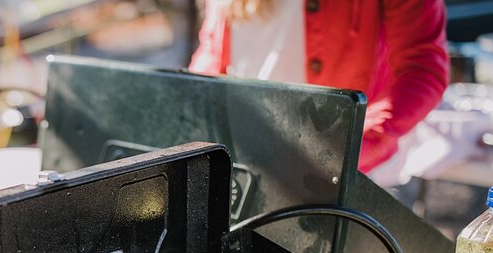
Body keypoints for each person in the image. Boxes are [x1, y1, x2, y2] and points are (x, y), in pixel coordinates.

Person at [188, 0, 449, 173]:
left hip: (347, 178)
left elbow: (423, 67)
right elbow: (213, 51)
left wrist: (351, 143)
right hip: (244, 164)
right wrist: (189, 111)